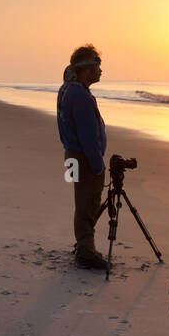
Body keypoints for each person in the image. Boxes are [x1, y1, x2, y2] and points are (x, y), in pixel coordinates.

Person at [57, 45, 109, 270]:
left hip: (71, 155)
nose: (100, 71)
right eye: (97, 66)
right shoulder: (80, 96)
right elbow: (87, 135)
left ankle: (83, 245)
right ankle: (86, 253)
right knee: (88, 203)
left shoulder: (68, 88)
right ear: (86, 69)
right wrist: (97, 165)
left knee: (81, 202)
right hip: (83, 158)